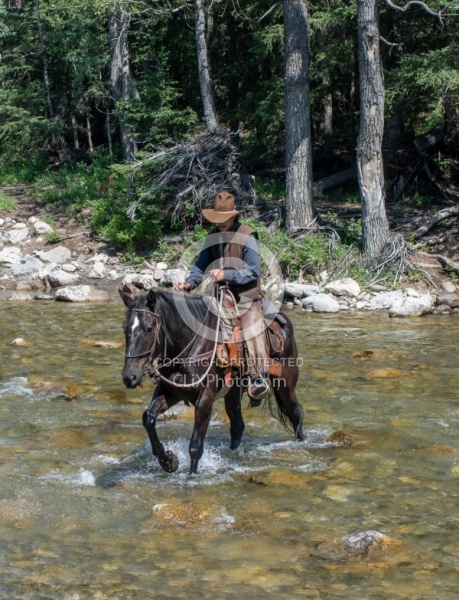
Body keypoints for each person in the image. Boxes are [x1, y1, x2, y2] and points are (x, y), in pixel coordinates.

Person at [174, 191, 270, 400]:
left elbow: (253, 272)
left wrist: (226, 274)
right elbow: (200, 266)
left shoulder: (247, 236)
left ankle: (258, 377)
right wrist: (189, 283)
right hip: (219, 294)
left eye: (225, 219)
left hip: (246, 295)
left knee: (252, 327)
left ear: (234, 216)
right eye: (218, 219)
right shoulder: (212, 237)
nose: (221, 223)